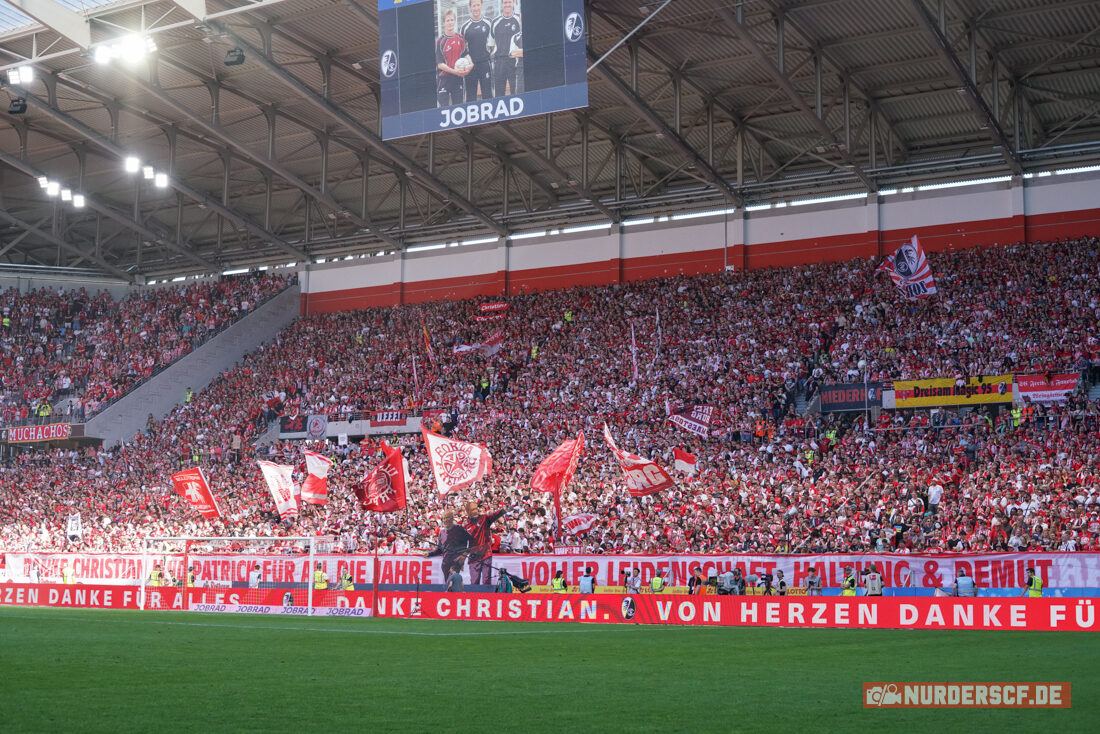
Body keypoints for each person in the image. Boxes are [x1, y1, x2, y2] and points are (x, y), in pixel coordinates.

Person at [464, 502, 505, 585]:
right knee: (474, 582)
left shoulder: (484, 518)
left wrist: (504, 510)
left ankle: (487, 597)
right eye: (473, 509)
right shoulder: (466, 525)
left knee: (486, 581)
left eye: (476, 508)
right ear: (468, 511)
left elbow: (495, 515)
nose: (476, 510)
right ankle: (475, 597)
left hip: (486, 554)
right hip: (474, 556)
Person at [460, 0, 493, 101]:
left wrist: (490, 57)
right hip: (471, 66)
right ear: (470, 7)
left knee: (487, 94)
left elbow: (493, 44)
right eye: (474, 6)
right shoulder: (465, 27)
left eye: (478, 5)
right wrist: (467, 63)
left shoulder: (489, 22)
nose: (476, 8)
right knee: (470, 96)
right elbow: (462, 48)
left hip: (485, 64)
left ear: (481, 5)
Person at [426, 510, 473, 581]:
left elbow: (472, 540)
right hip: (445, 563)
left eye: (447, 518)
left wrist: (465, 553)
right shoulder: (441, 532)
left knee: (452, 583)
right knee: (448, 585)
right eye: (443, 518)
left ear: (451, 519)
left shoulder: (460, 528)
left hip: (456, 562)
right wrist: (429, 554)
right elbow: (440, 550)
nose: (445, 520)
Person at [436, 8, 468, 108]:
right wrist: (455, 71)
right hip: (444, 79)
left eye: (451, 20)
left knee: (458, 108)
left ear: (454, 21)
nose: (450, 22)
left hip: (457, 79)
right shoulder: (440, 41)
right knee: (444, 109)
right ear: (444, 23)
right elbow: (440, 64)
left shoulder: (460, 38)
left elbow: (465, 54)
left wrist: (470, 65)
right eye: (447, 20)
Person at [491, 0, 522, 96]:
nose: (507, 4)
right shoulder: (495, 22)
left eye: (509, 2)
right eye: (505, 2)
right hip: (499, 62)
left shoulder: (518, 19)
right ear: (501, 4)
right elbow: (491, 45)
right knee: (499, 94)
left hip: (514, 62)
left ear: (513, 3)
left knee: (515, 92)